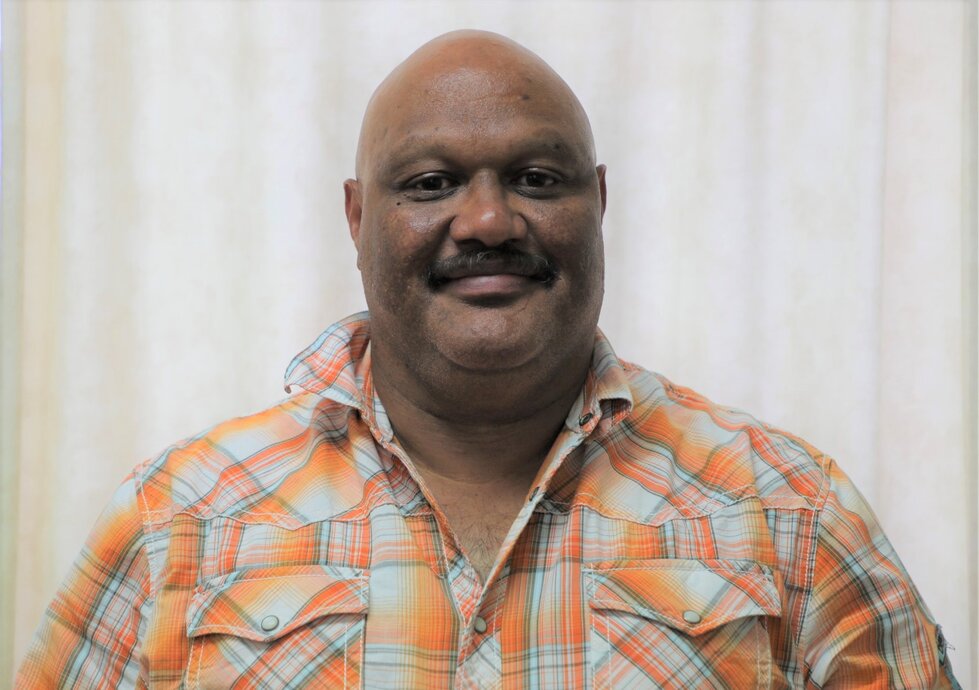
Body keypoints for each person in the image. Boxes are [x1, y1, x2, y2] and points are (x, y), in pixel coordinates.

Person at [16, 30, 960, 689]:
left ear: (597, 202)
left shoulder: (788, 515)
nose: (487, 221)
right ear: (356, 218)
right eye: (430, 184)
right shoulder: (178, 522)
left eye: (535, 180)